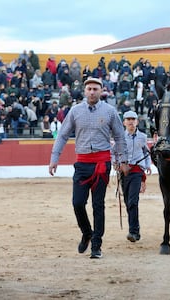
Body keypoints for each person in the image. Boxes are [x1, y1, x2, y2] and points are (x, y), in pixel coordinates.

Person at [48, 77, 129, 259]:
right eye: (89, 89)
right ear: (85, 91)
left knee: (98, 205)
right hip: (82, 163)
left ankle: (97, 245)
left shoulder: (110, 111)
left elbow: (120, 137)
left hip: (102, 163)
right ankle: (87, 232)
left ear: (101, 91)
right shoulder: (75, 111)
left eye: (95, 89)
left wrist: (123, 160)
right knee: (77, 203)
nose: (92, 92)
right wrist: (54, 158)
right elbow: (62, 135)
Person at [121, 111, 151, 242]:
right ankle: (135, 229)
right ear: (124, 122)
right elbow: (114, 153)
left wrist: (148, 165)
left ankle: (133, 231)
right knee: (128, 202)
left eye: (133, 119)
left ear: (137, 122)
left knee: (133, 201)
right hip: (124, 172)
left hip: (137, 171)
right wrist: (116, 164)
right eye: (128, 119)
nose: (131, 122)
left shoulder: (143, 137)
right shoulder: (120, 137)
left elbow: (146, 152)